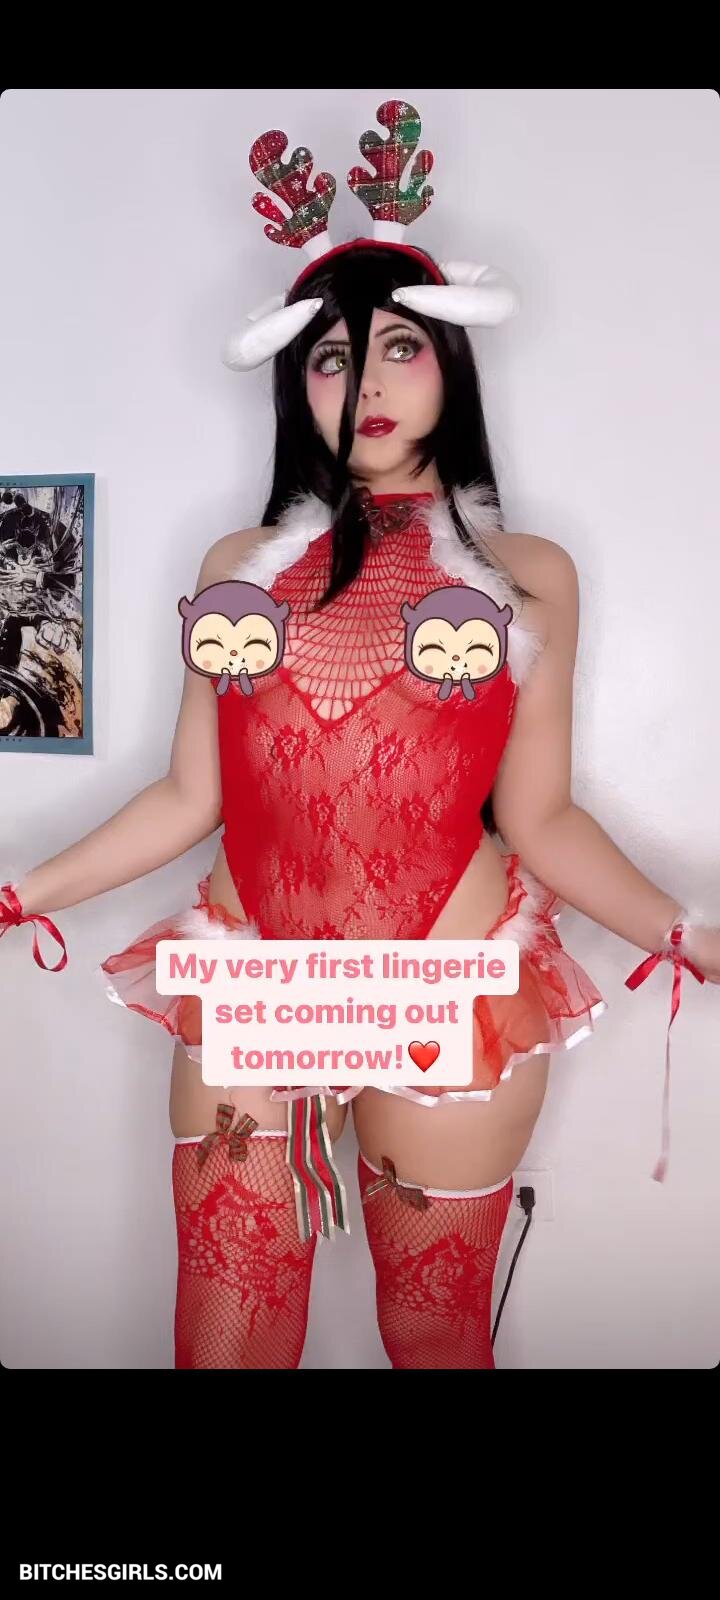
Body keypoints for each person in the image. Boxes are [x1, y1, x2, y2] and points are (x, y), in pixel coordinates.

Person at [3, 99, 719, 1370]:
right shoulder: (238, 566)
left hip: (450, 989)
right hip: (253, 986)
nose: (368, 383)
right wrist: (21, 891)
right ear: (298, 381)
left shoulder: (530, 574)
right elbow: (189, 797)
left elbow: (541, 816)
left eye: (399, 346)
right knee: (223, 1343)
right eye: (333, 357)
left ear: (453, 365)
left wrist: (685, 929)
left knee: (432, 1340)